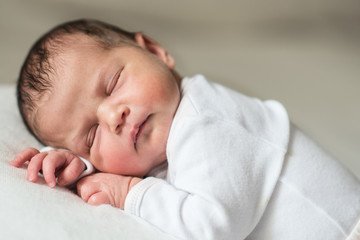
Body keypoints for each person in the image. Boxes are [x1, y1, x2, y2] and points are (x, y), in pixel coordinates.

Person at [9, 19, 360, 240]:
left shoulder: (203, 118)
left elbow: (212, 228)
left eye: (114, 83)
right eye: (91, 134)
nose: (114, 116)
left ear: (156, 52)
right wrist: (78, 168)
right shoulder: (161, 140)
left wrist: (129, 193)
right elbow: (130, 168)